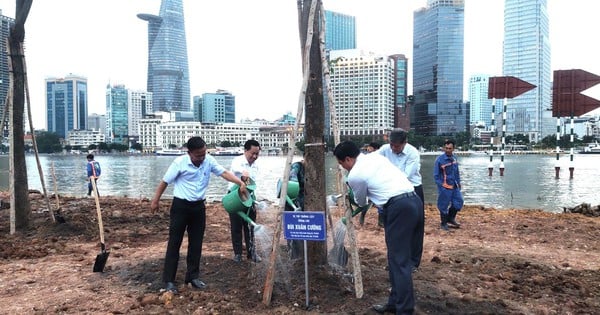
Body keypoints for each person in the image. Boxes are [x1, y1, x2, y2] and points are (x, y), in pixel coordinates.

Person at [333, 141, 423, 315]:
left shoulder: (355, 175)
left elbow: (360, 202)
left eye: (341, 163)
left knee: (399, 262)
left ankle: (404, 310)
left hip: (399, 208)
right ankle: (395, 302)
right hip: (415, 201)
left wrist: (351, 193)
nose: (341, 167)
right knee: (397, 259)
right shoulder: (375, 157)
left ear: (348, 159)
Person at [150, 136, 247, 294]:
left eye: (204, 153)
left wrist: (240, 183)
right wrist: (155, 201)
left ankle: (192, 277)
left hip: (198, 207)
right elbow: (164, 182)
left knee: (196, 244)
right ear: (189, 153)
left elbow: (224, 173)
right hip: (180, 206)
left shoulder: (208, 160)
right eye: (198, 155)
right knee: (174, 243)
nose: (202, 158)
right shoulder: (179, 163)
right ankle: (168, 280)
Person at [377, 128, 424, 270]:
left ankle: (413, 262)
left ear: (405, 143)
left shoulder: (413, 153)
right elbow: (373, 162)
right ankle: (394, 260)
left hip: (412, 190)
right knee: (392, 227)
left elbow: (405, 176)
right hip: (391, 191)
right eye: (391, 144)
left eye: (396, 146)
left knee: (415, 227)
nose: (393, 148)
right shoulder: (385, 150)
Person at [228, 139, 262, 263]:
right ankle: (237, 254)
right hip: (235, 196)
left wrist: (253, 198)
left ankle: (251, 252)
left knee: (250, 225)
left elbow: (253, 184)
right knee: (236, 226)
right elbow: (241, 172)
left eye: (257, 154)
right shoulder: (238, 161)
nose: (254, 156)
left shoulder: (256, 165)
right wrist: (245, 177)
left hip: (249, 196)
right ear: (245, 151)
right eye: (252, 153)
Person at [434, 139, 464, 231]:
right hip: (445, 187)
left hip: (454, 186)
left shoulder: (454, 158)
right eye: (446, 148)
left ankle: (450, 218)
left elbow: (456, 172)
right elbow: (436, 175)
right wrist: (441, 186)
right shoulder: (439, 160)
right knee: (443, 205)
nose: (447, 150)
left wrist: (458, 182)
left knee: (459, 202)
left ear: (453, 149)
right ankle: (443, 223)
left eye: (450, 148)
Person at [284, 159, 305, 259]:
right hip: (291, 201)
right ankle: (293, 254)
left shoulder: (312, 170)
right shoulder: (297, 166)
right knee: (293, 228)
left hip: (301, 202)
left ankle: (301, 254)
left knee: (302, 227)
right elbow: (292, 177)